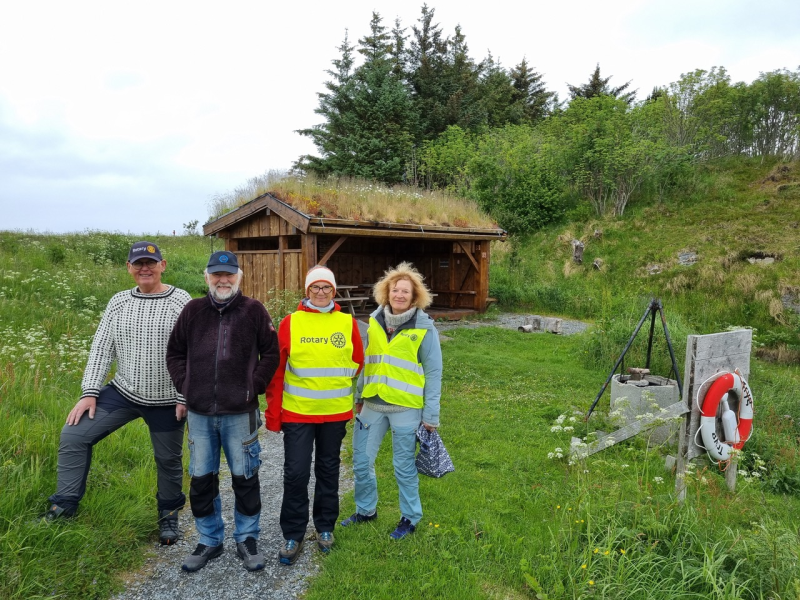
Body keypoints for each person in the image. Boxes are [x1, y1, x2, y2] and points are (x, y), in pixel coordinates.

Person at [43, 241, 191, 546]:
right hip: (123, 392)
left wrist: (184, 395)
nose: (144, 269)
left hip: (167, 399)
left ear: (163, 265)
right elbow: (101, 348)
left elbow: (194, 353)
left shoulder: (182, 301)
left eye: (151, 263)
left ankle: (168, 516)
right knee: (74, 435)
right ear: (129, 268)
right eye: (138, 264)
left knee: (168, 459)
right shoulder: (119, 302)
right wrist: (89, 392)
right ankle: (64, 506)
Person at [166, 251, 279, 572]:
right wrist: (186, 385)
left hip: (240, 414)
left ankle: (246, 538)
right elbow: (174, 352)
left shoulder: (254, 311)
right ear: (207, 277)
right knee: (202, 479)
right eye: (216, 274)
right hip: (199, 414)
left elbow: (271, 353)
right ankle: (210, 540)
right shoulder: (192, 311)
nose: (223, 280)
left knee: (245, 478)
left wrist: (253, 384)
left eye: (228, 274)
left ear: (238, 276)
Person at [265, 265, 364, 565]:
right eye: (315, 287)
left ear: (334, 292)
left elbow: (357, 362)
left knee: (328, 471)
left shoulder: (347, 324)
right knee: (295, 474)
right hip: (299, 413)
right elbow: (276, 373)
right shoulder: (290, 323)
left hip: (334, 414)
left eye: (326, 288)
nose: (320, 293)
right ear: (306, 291)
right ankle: (293, 533)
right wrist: (273, 414)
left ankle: (324, 528)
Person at [342, 262, 442, 539]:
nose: (399, 295)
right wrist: (359, 396)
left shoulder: (424, 328)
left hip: (406, 409)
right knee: (361, 461)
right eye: (395, 290)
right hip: (372, 405)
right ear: (386, 293)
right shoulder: (374, 323)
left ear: (414, 297)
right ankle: (366, 510)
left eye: (405, 292)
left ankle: (409, 518)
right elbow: (368, 362)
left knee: (403, 467)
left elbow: (434, 373)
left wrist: (431, 415)